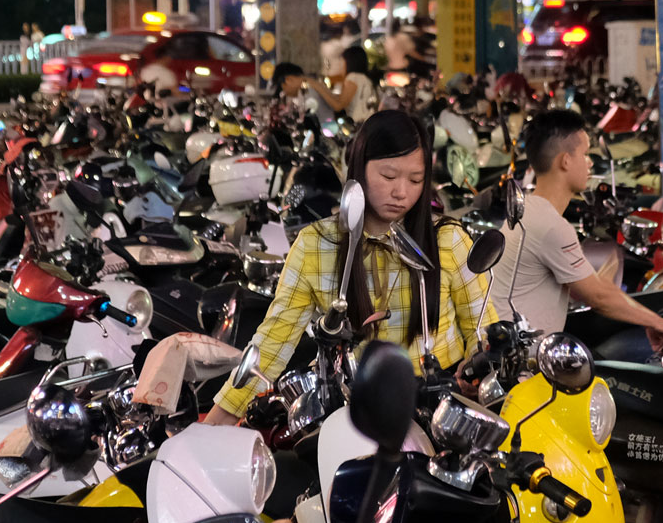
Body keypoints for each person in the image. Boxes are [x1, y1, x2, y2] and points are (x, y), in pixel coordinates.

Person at [202, 109, 494, 425]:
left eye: (415, 180)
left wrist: (474, 372)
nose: (401, 192)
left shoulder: (447, 240)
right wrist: (216, 424)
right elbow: (272, 343)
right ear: (359, 170)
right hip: (351, 417)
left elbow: (482, 330)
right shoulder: (316, 244)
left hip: (437, 416)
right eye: (388, 176)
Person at [493, 110, 663, 348]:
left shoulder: (529, 210)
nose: (590, 162)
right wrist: (657, 322)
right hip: (521, 366)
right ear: (565, 160)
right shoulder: (551, 226)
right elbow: (599, 297)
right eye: (584, 154)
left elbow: (593, 286)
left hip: (510, 353)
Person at [304, 45, 378, 124]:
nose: (340, 65)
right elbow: (342, 98)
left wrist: (317, 85)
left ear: (349, 62)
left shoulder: (353, 77)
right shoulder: (364, 79)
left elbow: (338, 105)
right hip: (368, 121)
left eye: (342, 61)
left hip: (359, 123)